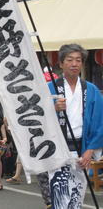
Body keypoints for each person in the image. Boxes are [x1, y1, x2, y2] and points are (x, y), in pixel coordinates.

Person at [48, 44, 103, 208]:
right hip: (58, 151)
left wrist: (90, 150)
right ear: (61, 63)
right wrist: (53, 108)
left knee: (76, 198)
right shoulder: (50, 88)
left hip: (82, 150)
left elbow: (100, 122)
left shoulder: (91, 90)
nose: (74, 64)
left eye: (78, 60)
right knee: (60, 199)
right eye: (69, 60)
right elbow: (39, 118)